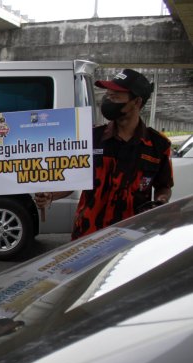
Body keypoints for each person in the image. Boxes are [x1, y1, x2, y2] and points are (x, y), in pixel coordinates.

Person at [34, 69, 173, 240]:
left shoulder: (158, 145)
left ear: (136, 101)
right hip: (87, 235)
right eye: (108, 95)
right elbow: (72, 181)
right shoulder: (90, 137)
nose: (107, 100)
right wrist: (51, 196)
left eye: (115, 96)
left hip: (131, 237)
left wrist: (161, 201)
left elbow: (164, 186)